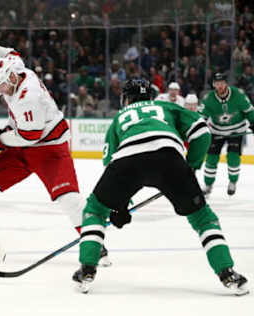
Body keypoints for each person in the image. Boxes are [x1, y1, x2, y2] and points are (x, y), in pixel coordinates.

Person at [0, 38, 110, 265]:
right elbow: (11, 52)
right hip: (24, 146)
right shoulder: (14, 68)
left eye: (3, 87)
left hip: (49, 149)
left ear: (12, 78)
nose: (1, 91)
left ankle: (96, 246)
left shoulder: (28, 98)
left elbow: (29, 136)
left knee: (68, 199)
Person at [72, 78, 248, 296]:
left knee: (95, 211)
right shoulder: (165, 106)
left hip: (127, 161)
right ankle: (227, 272)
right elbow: (202, 132)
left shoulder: (119, 117)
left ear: (127, 98)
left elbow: (110, 162)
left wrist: (120, 203)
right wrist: (190, 166)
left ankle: (87, 268)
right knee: (203, 218)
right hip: (169, 159)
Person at [199, 73, 254, 196]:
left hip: (236, 131)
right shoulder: (208, 99)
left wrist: (253, 122)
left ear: (226, 83)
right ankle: (208, 185)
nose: (220, 86)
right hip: (216, 130)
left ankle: (233, 182)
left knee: (233, 157)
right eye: (217, 83)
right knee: (211, 159)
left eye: (222, 83)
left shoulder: (238, 95)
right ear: (213, 85)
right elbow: (201, 116)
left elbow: (249, 111)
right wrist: (198, 127)